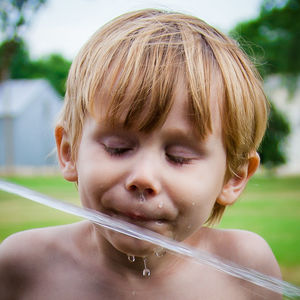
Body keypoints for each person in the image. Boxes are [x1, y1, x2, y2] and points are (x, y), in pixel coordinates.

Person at [0, 9, 281, 299]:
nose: (143, 177)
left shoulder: (245, 267)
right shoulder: (23, 265)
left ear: (233, 177)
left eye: (179, 157)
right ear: (69, 152)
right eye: (117, 148)